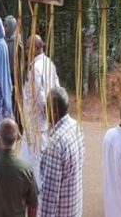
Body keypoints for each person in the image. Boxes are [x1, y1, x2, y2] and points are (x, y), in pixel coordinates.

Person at [20, 34, 60, 186]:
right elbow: (57, 90)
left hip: (36, 125)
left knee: (34, 168)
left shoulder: (35, 69)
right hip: (43, 124)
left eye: (28, 48)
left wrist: (46, 115)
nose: (25, 52)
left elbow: (42, 99)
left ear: (37, 48)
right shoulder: (49, 63)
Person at [39, 87, 85, 217]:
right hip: (74, 207)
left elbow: (50, 192)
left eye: (46, 106)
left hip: (61, 211)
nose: (44, 110)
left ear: (54, 112)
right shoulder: (77, 127)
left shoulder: (56, 143)